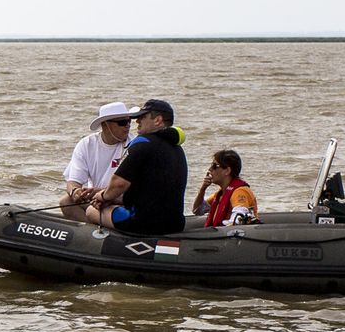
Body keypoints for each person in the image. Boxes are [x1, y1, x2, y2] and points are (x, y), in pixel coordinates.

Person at [86, 99, 187, 235]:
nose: (137, 121)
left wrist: (102, 197)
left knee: (91, 211)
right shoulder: (177, 149)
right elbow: (154, 192)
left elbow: (119, 183)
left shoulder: (142, 143)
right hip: (175, 223)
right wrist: (113, 198)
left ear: (157, 120)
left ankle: (101, 240)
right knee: (115, 204)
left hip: (143, 222)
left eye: (142, 117)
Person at [61, 101, 133, 218]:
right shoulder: (86, 144)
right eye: (122, 122)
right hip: (97, 199)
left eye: (129, 121)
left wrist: (102, 193)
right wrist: (75, 192)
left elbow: (133, 188)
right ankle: (94, 232)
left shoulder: (135, 145)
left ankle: (103, 229)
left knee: (93, 210)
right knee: (65, 201)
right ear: (105, 125)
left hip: (122, 199)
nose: (127, 125)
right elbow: (73, 182)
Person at [191, 149, 258, 227]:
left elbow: (239, 217)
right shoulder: (220, 194)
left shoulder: (240, 191)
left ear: (227, 170)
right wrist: (202, 189)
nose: (210, 169)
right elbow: (198, 210)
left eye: (215, 166)